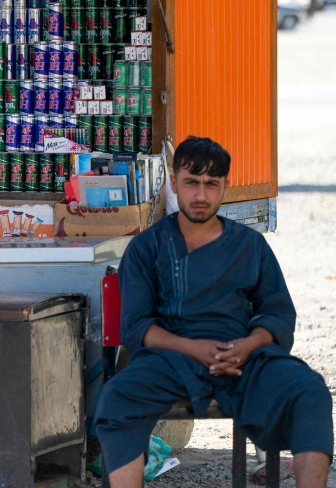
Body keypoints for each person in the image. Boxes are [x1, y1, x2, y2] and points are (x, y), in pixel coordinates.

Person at [95, 137, 333, 488]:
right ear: (175, 183)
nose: (201, 195)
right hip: (170, 359)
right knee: (117, 398)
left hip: (242, 358)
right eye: (192, 182)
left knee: (309, 390)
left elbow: (278, 312)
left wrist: (249, 345)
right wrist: (193, 348)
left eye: (211, 184)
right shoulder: (147, 247)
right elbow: (136, 326)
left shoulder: (249, 244)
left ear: (226, 187)